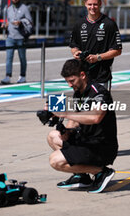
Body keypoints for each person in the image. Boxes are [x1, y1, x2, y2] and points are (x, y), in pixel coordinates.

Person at [47, 59, 118, 193]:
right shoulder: (79, 92)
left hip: (101, 146)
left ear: (83, 75)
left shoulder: (99, 93)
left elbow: (96, 117)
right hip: (86, 140)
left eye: (72, 81)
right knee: (53, 136)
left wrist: (65, 113)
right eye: (67, 81)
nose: (69, 85)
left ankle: (102, 172)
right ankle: (82, 176)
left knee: (55, 161)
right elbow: (76, 118)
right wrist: (67, 132)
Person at [69, 0, 122, 90]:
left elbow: (117, 50)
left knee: (99, 105)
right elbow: (73, 45)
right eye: (90, 4)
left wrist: (98, 57)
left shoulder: (109, 24)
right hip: (82, 76)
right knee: (82, 105)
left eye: (95, 4)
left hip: (101, 76)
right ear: (85, 4)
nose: (92, 7)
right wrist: (76, 52)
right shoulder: (79, 24)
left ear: (100, 4)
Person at [1, 0, 32, 84]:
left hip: (21, 37)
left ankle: (22, 76)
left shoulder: (24, 8)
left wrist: (21, 22)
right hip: (10, 37)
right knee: (9, 57)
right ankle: (8, 76)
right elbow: (8, 21)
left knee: (22, 58)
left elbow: (30, 22)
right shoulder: (9, 9)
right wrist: (5, 25)